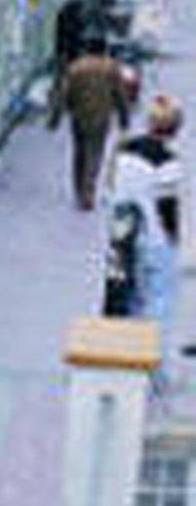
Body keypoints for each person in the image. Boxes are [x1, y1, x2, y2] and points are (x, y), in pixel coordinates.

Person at [105, 90, 183, 386]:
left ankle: (127, 362)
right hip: (156, 239)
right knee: (160, 304)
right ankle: (153, 371)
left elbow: (111, 188)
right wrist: (175, 238)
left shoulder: (125, 149)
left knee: (132, 299)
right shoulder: (167, 161)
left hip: (124, 235)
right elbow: (167, 206)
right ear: (174, 129)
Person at [56, 32, 133, 211]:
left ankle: (78, 189)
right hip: (102, 116)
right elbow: (120, 94)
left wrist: (57, 116)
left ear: (86, 48)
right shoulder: (111, 68)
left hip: (79, 115)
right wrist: (124, 118)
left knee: (79, 153)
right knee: (95, 153)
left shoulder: (75, 67)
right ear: (104, 49)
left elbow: (64, 93)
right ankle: (88, 191)